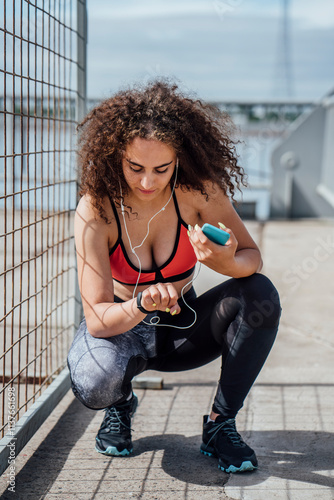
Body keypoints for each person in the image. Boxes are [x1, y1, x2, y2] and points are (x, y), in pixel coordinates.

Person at [67, 80, 281, 474]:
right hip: (120, 333)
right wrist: (142, 302)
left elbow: (252, 258)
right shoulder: (95, 208)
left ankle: (220, 425)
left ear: (179, 159)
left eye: (161, 169)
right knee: (93, 379)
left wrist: (225, 262)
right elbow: (97, 319)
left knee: (259, 293)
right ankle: (119, 405)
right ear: (115, 156)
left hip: (184, 331)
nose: (148, 182)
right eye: (135, 167)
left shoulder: (198, 192)